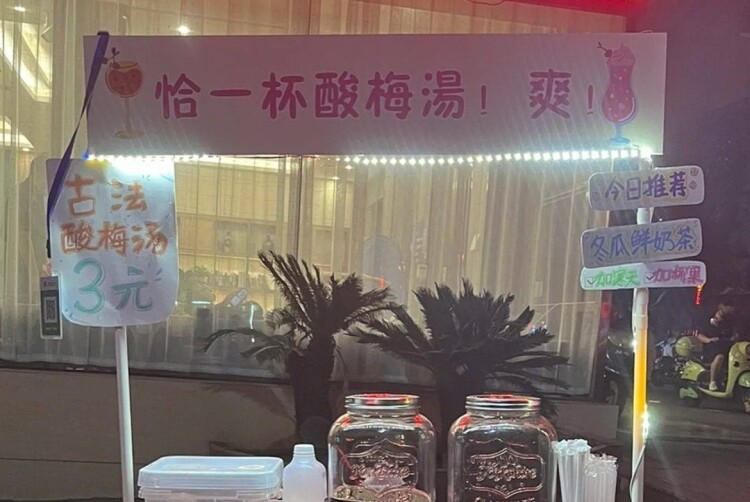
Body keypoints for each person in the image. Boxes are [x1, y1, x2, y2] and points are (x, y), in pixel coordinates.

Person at [695, 302, 738, 391]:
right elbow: (699, 335)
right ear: (720, 307)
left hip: (725, 346)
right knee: (719, 356)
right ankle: (712, 381)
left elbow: (733, 336)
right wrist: (709, 340)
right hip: (712, 347)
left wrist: (734, 338)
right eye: (727, 307)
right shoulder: (708, 320)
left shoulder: (729, 322)